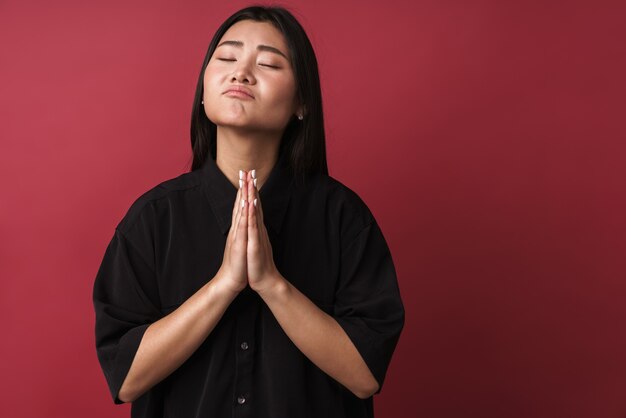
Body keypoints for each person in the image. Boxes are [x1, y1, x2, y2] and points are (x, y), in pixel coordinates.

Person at [93, 5, 404, 418]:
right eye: (226, 58)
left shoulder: (344, 219)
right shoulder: (153, 220)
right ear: (204, 90)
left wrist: (272, 284)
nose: (240, 73)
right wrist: (223, 285)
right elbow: (127, 377)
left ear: (302, 103)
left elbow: (365, 374)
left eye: (269, 63)